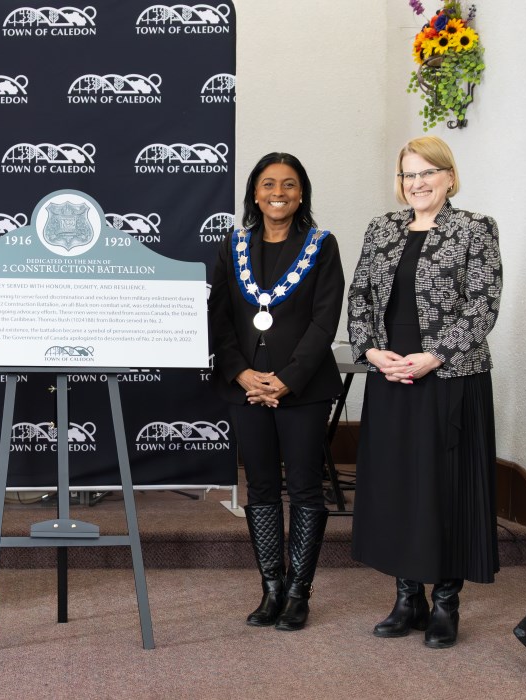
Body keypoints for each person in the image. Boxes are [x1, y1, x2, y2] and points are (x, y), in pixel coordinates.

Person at [349, 135, 502, 649]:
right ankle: (406, 598)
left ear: (449, 177)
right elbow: (362, 295)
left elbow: (482, 304)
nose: (417, 183)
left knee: (445, 486)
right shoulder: (382, 228)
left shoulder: (475, 229)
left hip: (450, 376)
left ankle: (445, 604)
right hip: (392, 374)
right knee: (397, 484)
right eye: (408, 175)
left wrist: (434, 355)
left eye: (426, 173)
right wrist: (371, 352)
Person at [209, 152, 344, 631]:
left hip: (301, 388)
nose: (278, 193)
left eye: (288, 185)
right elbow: (219, 318)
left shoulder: (322, 246)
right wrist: (242, 374)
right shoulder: (234, 246)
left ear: (301, 192)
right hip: (246, 386)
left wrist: (287, 378)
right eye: (268, 184)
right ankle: (270, 589)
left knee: (305, 486)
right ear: (255, 193)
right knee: (261, 486)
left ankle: (298, 594)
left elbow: (325, 319)